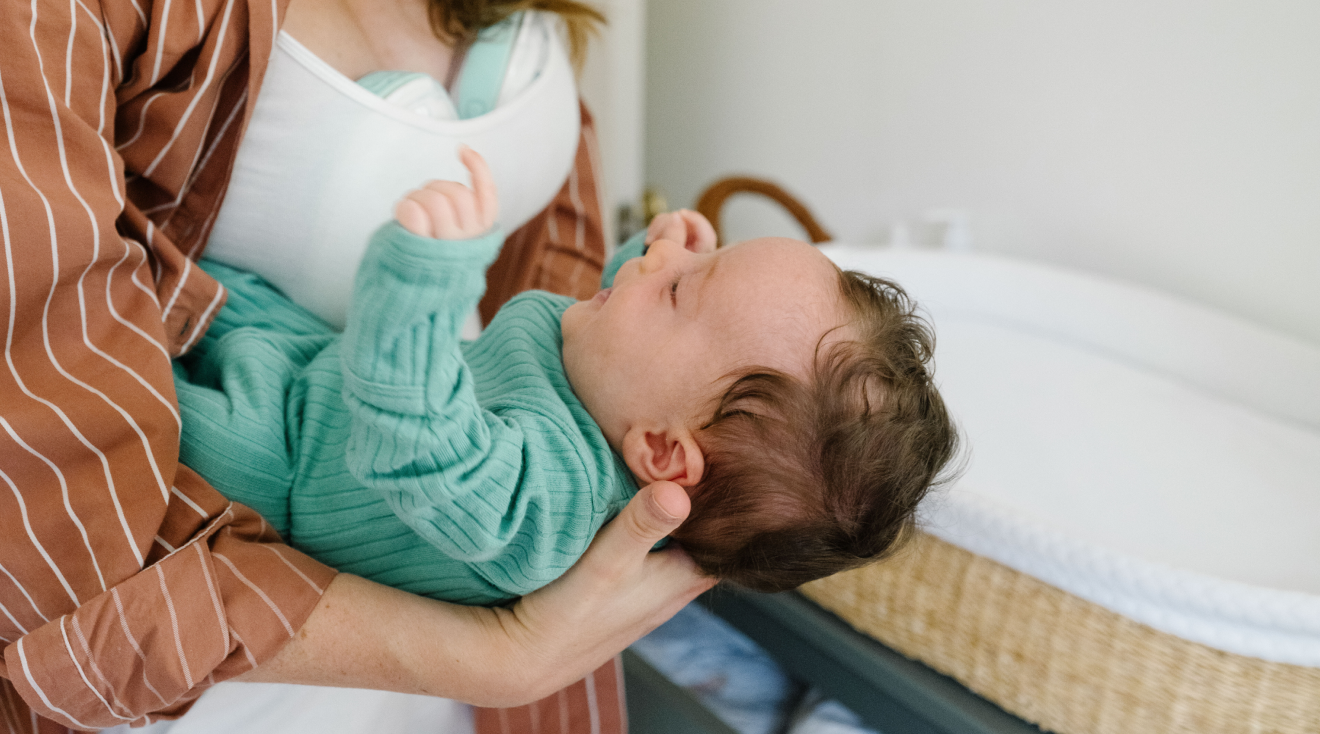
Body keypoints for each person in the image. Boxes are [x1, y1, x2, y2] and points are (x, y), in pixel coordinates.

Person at [0, 0, 713, 731]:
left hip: (429, 670)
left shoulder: (538, 500)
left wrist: (658, 279)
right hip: (219, 659)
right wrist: (493, 659)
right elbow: (58, 487)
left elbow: (564, 291)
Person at [174, 147, 959, 607]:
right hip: (322, 372)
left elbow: (416, 443)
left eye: (683, 287)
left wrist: (421, 283)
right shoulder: (622, 395)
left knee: (135, 390)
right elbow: (620, 351)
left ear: (658, 452)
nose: (666, 258)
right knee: (190, 273)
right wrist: (650, 265)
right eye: (701, 254)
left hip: (280, 466)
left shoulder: (541, 517)